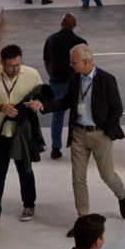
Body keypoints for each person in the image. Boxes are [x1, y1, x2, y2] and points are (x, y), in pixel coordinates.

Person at [44, 44, 125, 221]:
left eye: (73, 62)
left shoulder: (107, 79)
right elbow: (66, 102)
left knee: (107, 176)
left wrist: (108, 132)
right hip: (78, 134)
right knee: (78, 178)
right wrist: (44, 106)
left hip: (100, 134)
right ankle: (82, 218)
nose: (70, 64)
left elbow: (117, 109)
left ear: (85, 62)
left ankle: (122, 195)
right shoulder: (75, 78)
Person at [0, 43, 47, 227]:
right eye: (10, 65)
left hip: (22, 133)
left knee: (25, 170)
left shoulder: (31, 74)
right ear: (2, 62)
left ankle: (29, 205)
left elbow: (43, 95)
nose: (15, 69)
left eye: (18, 65)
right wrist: (1, 107)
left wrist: (38, 103)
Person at [43, 16, 88, 160]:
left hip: (57, 82)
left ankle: (56, 147)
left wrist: (53, 75)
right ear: (75, 25)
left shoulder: (51, 39)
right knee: (80, 113)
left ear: (61, 24)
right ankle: (80, 145)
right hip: (77, 83)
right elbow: (86, 65)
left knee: (58, 115)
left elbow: (47, 61)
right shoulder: (81, 43)